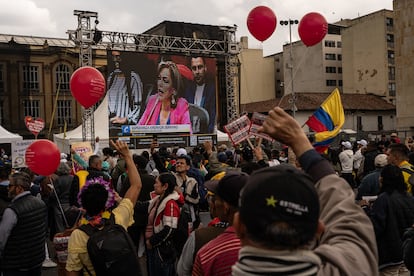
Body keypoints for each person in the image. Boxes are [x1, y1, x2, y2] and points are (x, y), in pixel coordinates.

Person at [231, 106, 379, 275]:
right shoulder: (350, 269)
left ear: (238, 226)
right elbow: (348, 222)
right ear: (318, 230)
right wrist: (300, 143)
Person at [65, 139, 142, 275]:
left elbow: (72, 272)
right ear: (108, 201)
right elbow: (136, 186)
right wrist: (127, 156)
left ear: (82, 204)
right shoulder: (118, 218)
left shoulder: (78, 235)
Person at [192, 171, 248, 276]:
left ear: (226, 207)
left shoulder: (208, 254)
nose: (212, 203)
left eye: (215, 199)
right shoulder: (272, 244)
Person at [361, 164, 414, 275]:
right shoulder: (409, 197)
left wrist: (366, 210)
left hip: (389, 254)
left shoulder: (384, 199)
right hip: (406, 252)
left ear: (384, 179)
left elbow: (376, 227)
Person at [135, 172, 183, 276]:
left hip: (161, 250)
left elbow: (169, 229)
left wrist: (152, 241)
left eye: (156, 183)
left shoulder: (170, 204)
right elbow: (143, 206)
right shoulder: (158, 200)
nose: (154, 185)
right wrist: (123, 201)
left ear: (165, 186)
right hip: (154, 248)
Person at [0, 172, 48, 276]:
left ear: (19, 188)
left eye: (10, 185)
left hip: (16, 264)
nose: (8, 188)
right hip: (36, 259)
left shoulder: (12, 210)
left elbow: (2, 239)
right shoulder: (40, 203)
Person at [138, 60, 191, 126]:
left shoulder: (181, 105)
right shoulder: (152, 101)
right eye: (159, 79)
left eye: (165, 81)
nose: (160, 84)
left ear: (174, 90)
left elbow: (188, 133)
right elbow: (139, 128)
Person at [107, 50, 143, 126]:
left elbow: (139, 105)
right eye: (113, 57)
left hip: (125, 128)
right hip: (111, 125)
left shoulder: (133, 78)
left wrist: (126, 119)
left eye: (117, 57)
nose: (115, 60)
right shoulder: (111, 77)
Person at [184, 56, 216, 133]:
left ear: (205, 68)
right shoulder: (187, 90)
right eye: (194, 68)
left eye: (200, 67)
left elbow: (212, 116)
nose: (197, 72)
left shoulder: (212, 89)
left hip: (206, 134)